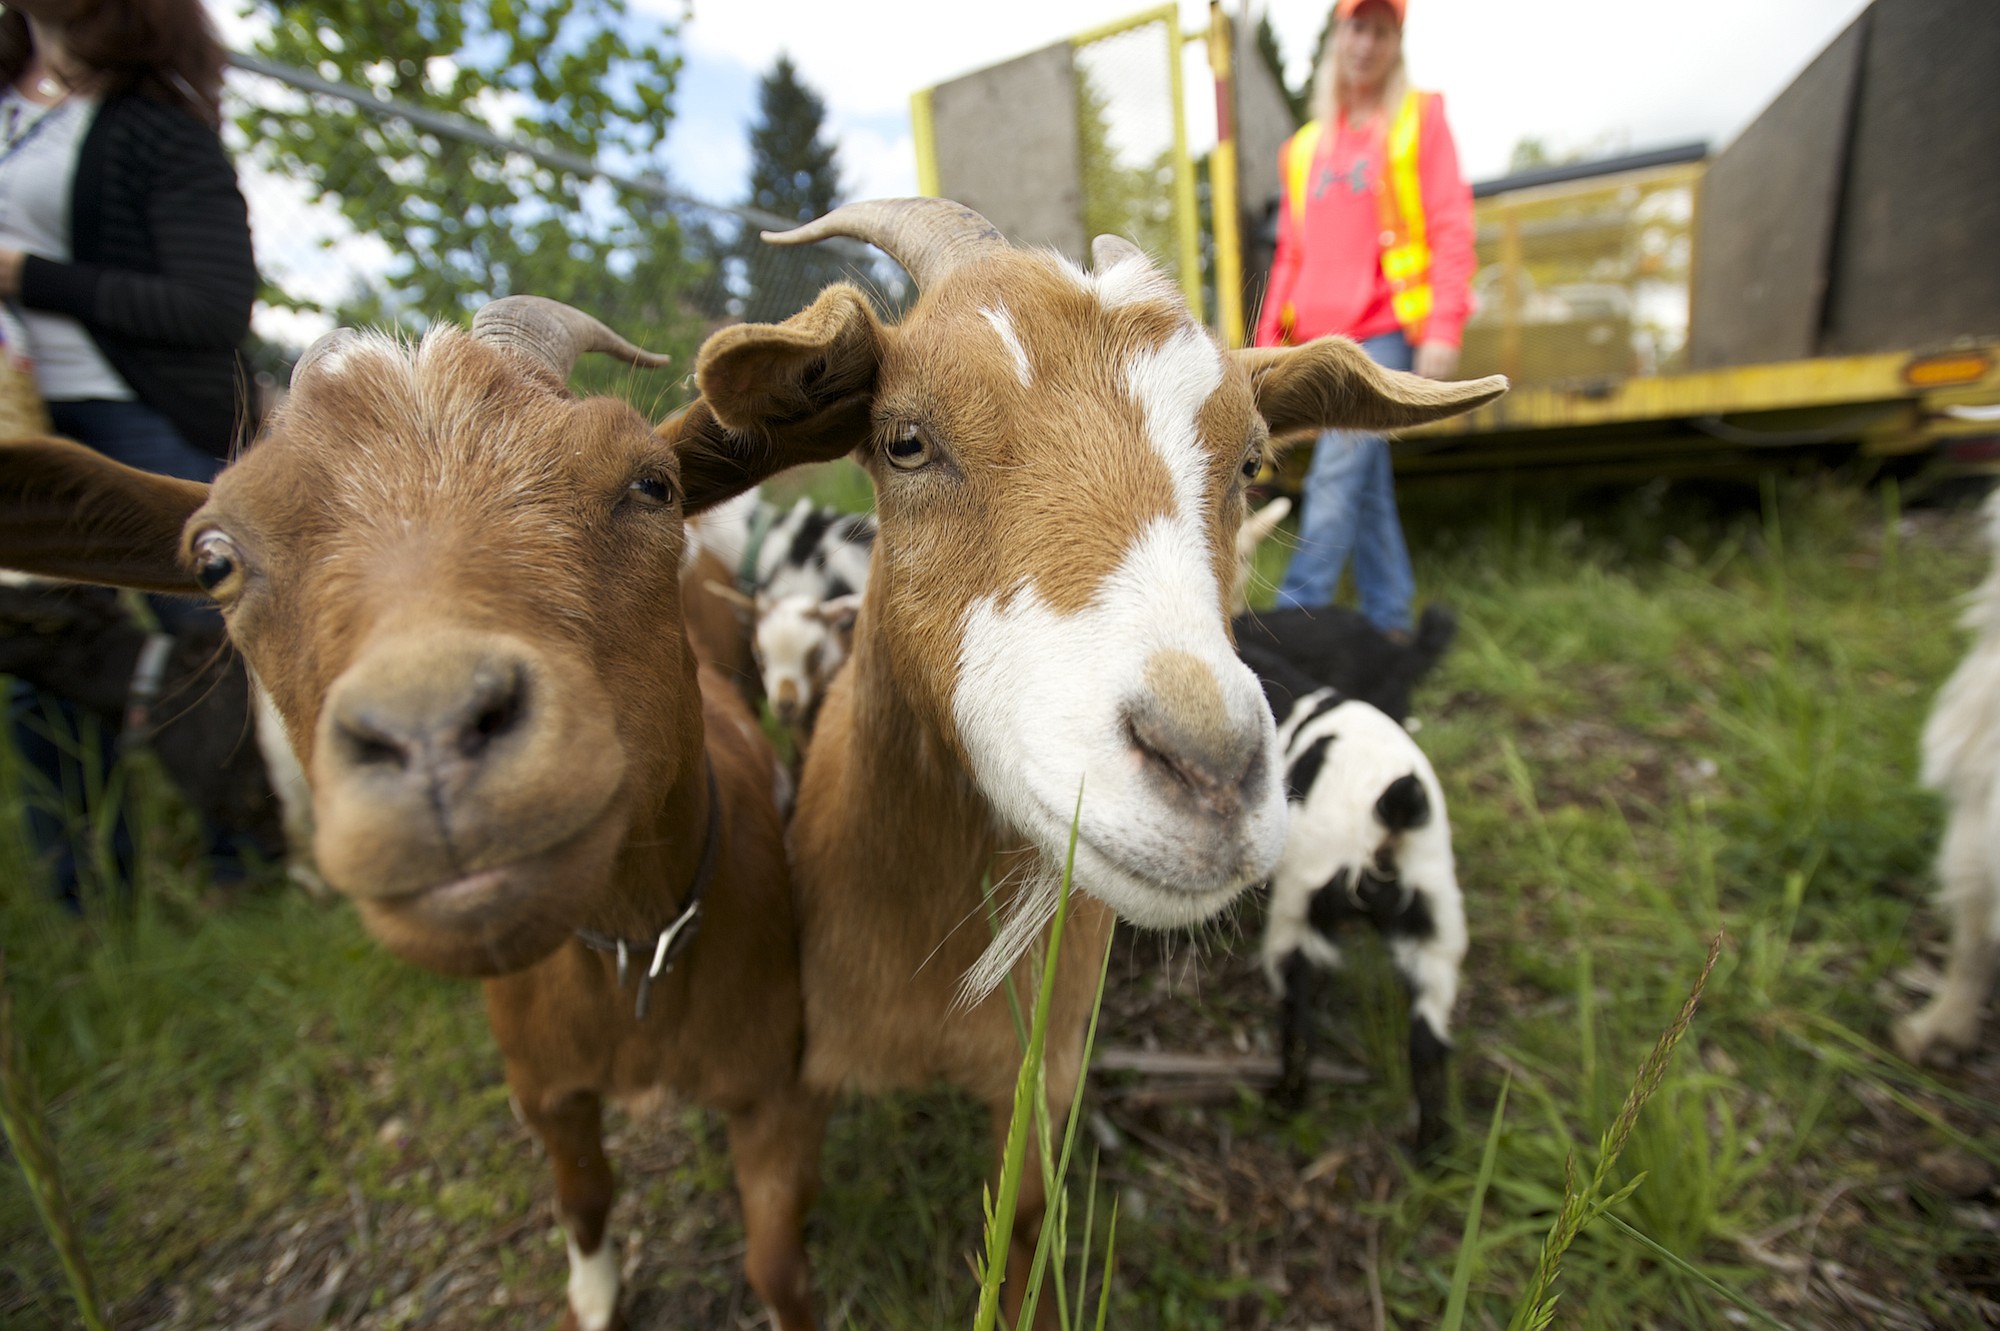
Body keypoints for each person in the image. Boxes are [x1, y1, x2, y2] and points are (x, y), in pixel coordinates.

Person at [0, 0, 258, 898]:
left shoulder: (156, 130)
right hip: (15, 420)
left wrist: (26, 276)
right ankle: (86, 897)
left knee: (218, 625)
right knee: (39, 650)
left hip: (132, 409)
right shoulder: (10, 105)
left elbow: (210, 308)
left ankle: (250, 863)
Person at [1254, 0, 1474, 635]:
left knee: (1336, 476)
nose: (1367, 43)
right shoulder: (1303, 149)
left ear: (1394, 43)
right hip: (1320, 337)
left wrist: (1442, 327)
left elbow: (1451, 226)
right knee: (1367, 489)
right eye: (1357, 26)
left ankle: (1291, 628)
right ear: (1338, 34)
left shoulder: (1417, 119)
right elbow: (1292, 253)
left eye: (1382, 30)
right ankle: (1389, 625)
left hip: (1382, 331)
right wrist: (1269, 345)